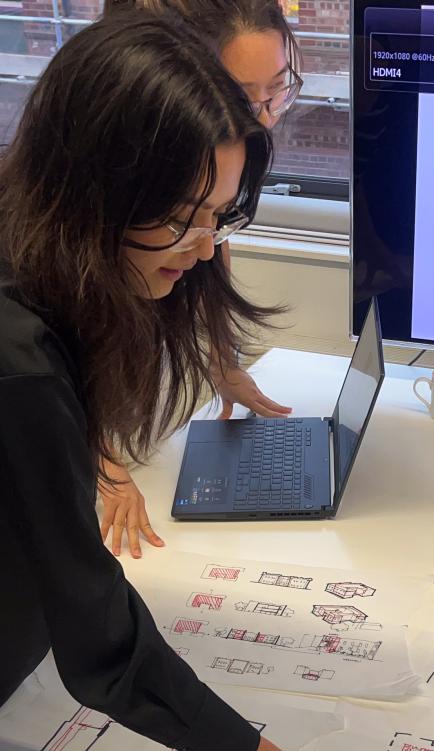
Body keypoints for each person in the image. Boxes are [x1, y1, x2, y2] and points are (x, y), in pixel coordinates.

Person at [0, 12, 351, 751]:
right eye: (182, 218)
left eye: (221, 217)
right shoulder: (19, 361)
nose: (203, 250)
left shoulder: (49, 259)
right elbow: (94, 629)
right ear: (94, 188)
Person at [100, 0, 302, 558]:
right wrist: (102, 465)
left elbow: (213, 251)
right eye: (242, 97)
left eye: (277, 91)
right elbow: (52, 354)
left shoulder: (218, 169)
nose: (261, 117)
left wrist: (224, 364)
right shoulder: (108, 193)